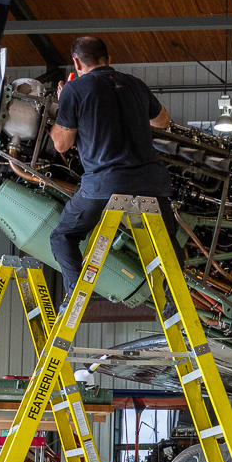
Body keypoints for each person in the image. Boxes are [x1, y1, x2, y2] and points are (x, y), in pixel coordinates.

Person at [49, 36, 180, 298]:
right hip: (152, 183)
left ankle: (76, 297)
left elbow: (62, 145)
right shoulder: (136, 84)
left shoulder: (75, 90)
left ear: (76, 62)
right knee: (168, 244)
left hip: (105, 184)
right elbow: (163, 122)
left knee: (62, 237)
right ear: (109, 59)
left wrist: (64, 101)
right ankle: (174, 300)